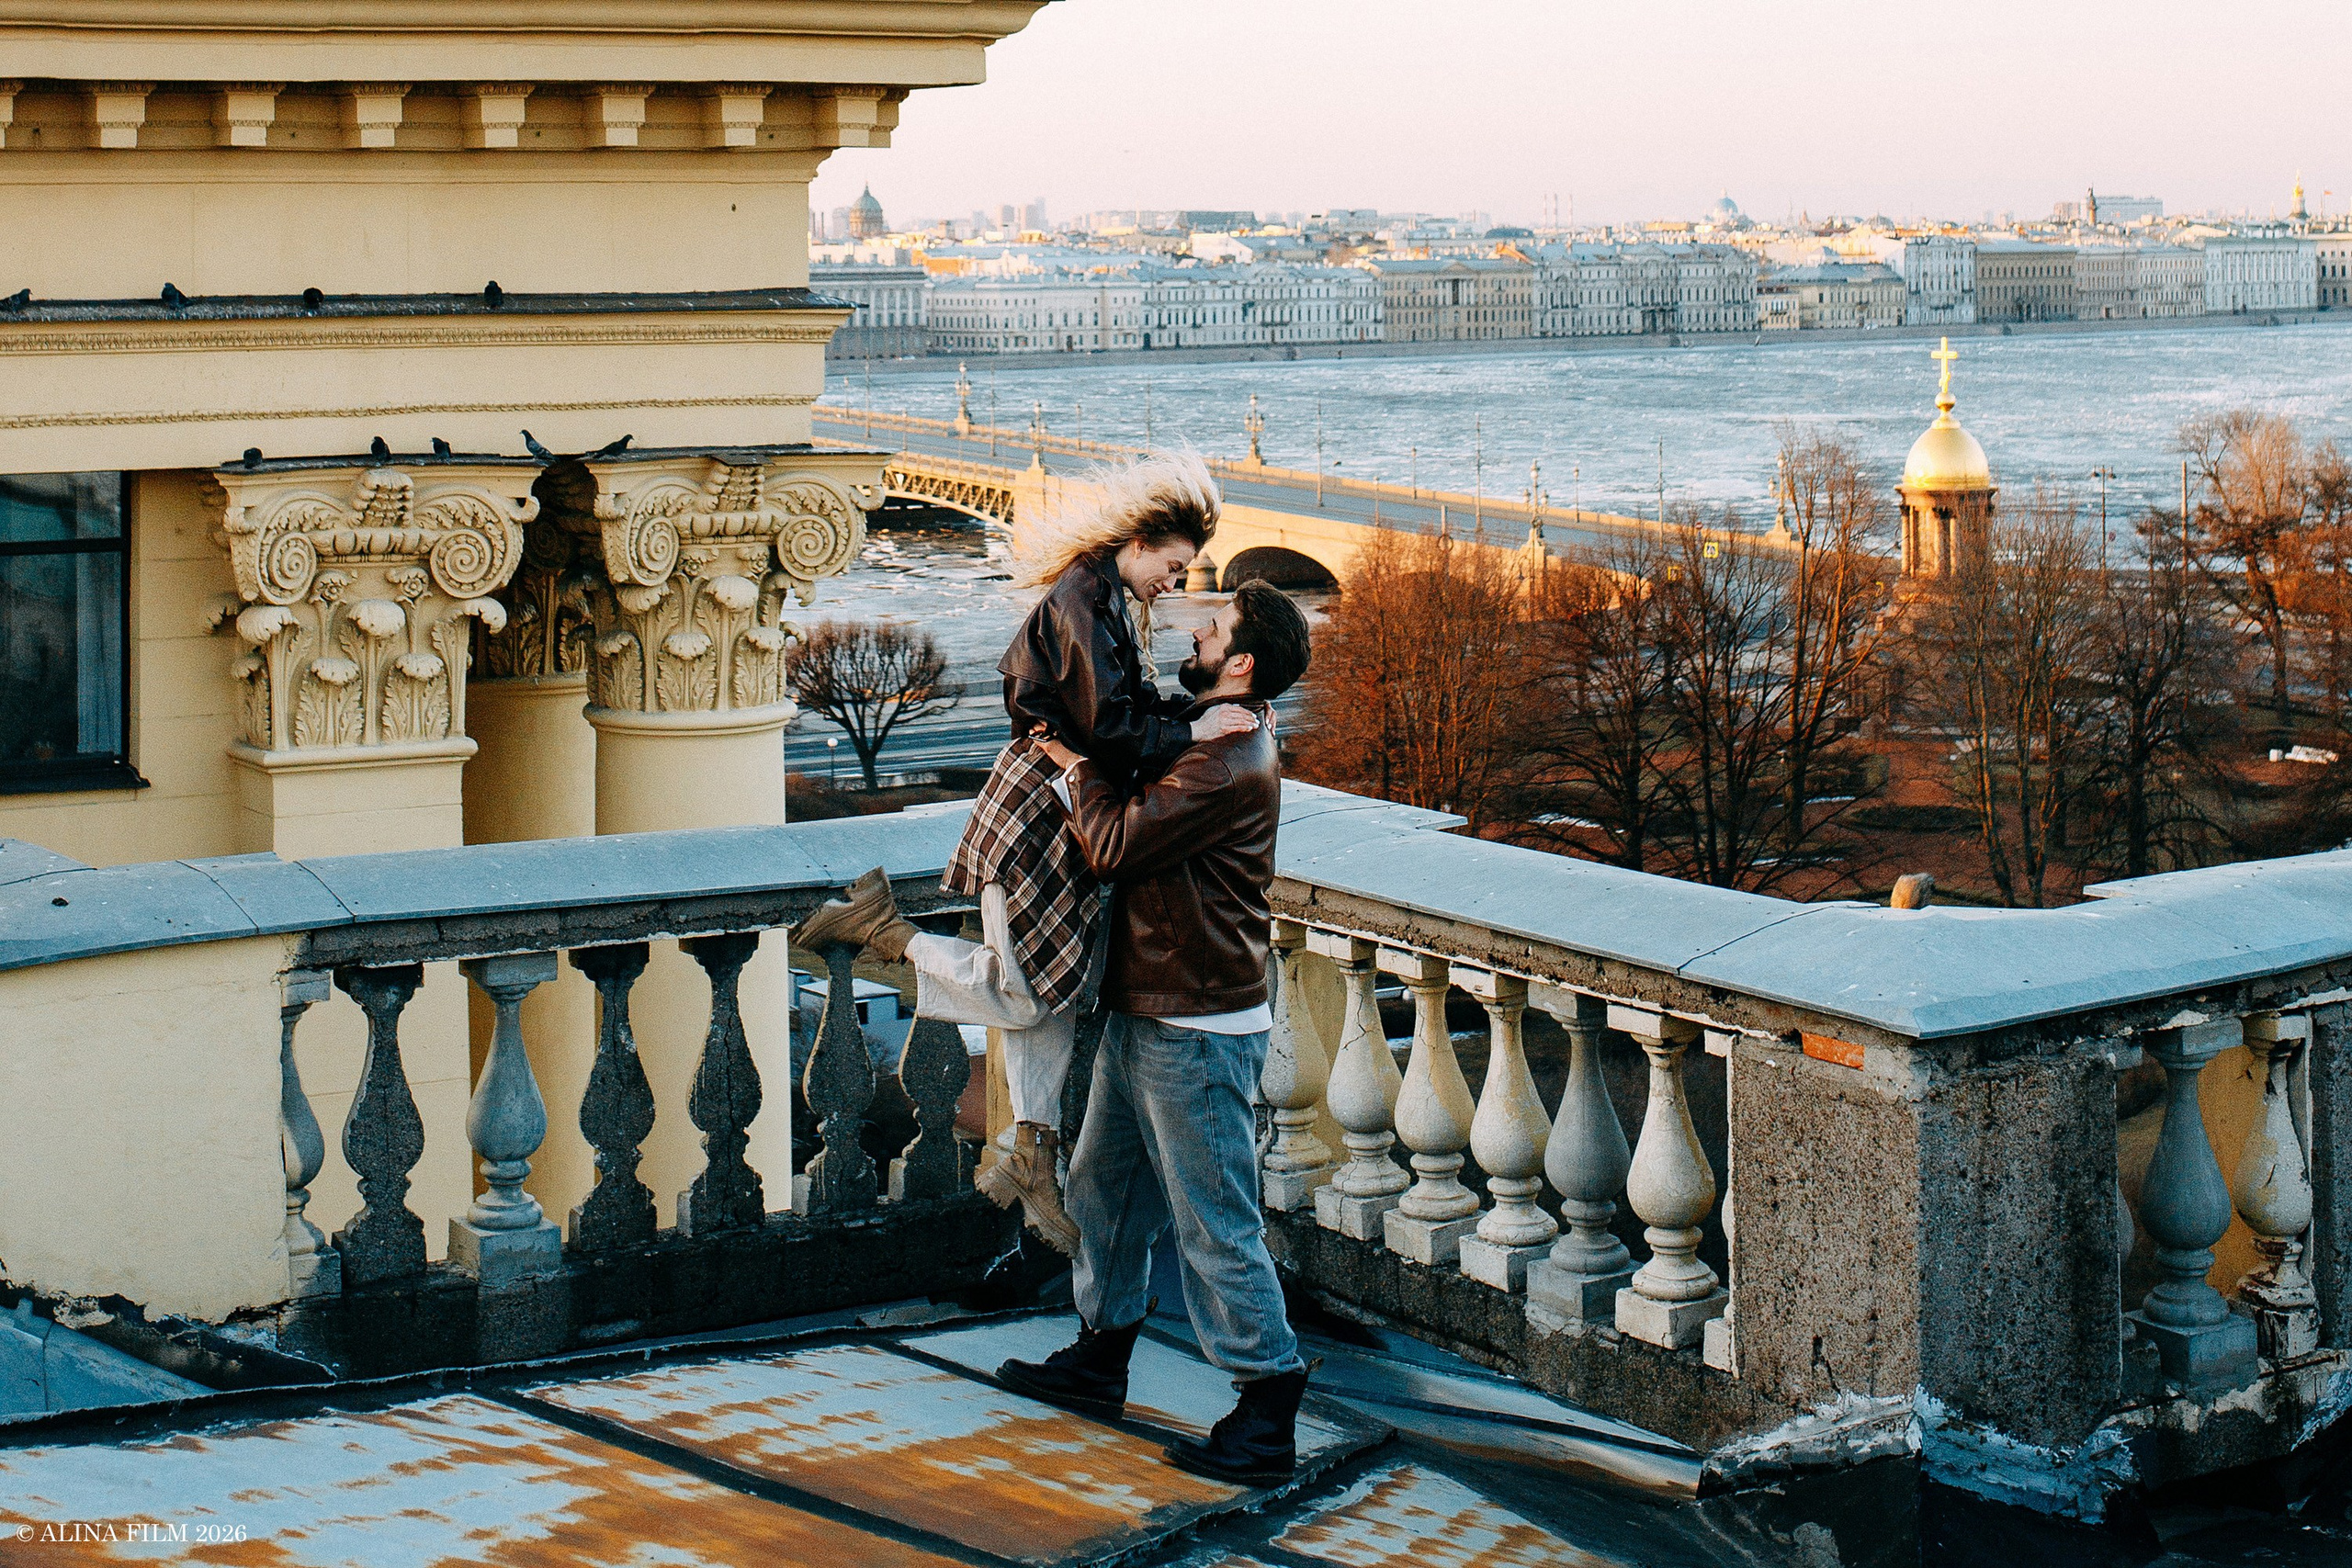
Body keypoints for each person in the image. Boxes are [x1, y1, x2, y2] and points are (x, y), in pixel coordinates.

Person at [787, 452, 1254, 1254]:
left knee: (1059, 989)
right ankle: (883, 934)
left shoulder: (1102, 597)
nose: (1177, 584)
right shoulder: (1085, 602)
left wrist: (1196, 711)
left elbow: (1121, 710)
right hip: (1037, 818)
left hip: (1059, 817)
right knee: (1027, 995)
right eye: (1174, 568)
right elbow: (1112, 729)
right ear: (1141, 541)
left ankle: (1032, 1150)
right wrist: (1195, 728)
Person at [993, 579, 1317, 1487]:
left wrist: (1067, 765)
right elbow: (1124, 721)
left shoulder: (1223, 761)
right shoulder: (1206, 733)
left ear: (1241, 664)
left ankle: (1267, 1408)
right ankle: (1100, 1358)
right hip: (1154, 1007)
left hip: (1197, 1027)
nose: (1192, 630)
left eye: (1210, 630)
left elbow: (1112, 846)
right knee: (1104, 1196)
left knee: (1214, 1225)